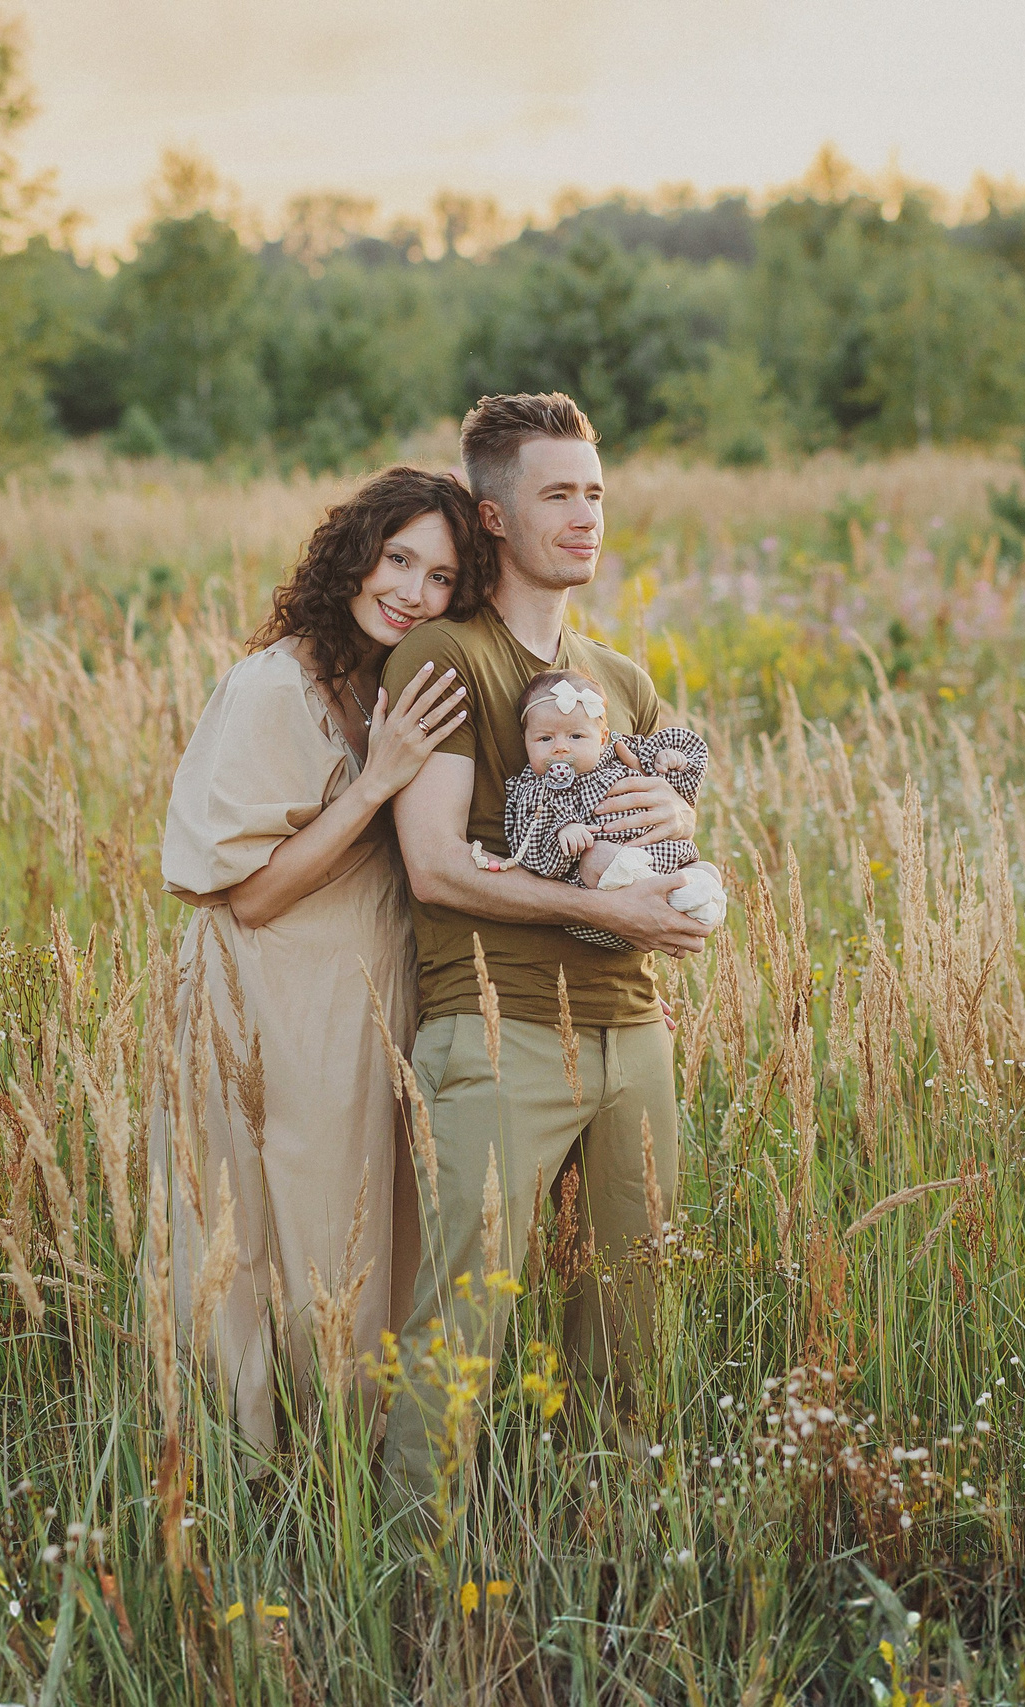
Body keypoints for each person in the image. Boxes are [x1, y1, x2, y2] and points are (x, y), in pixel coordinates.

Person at [379, 393, 715, 1500]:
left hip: (634, 1033)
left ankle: (612, 1577)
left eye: (596, 492)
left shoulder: (620, 679)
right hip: (495, 1029)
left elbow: (654, 836)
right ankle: (419, 1605)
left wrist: (676, 842)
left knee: (633, 1329)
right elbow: (432, 865)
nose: (586, 516)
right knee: (459, 1333)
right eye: (557, 495)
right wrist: (615, 912)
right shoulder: (443, 653)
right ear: (491, 517)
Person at [148, 465, 484, 1451]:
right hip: (270, 994)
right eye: (399, 560)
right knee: (267, 1221)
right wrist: (376, 780)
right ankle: (254, 1455)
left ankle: (358, 1447)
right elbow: (249, 894)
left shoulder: (401, 683)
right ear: (355, 556)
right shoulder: (271, 686)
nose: (413, 593)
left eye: (440, 579)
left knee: (365, 1219)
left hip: (367, 999)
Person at [488, 667, 727, 952]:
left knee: (708, 870)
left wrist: (673, 761)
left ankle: (690, 898)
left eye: (576, 736)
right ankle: (660, 897)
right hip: (608, 900)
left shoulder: (624, 754)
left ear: (602, 739)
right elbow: (531, 848)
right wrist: (564, 831)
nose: (560, 748)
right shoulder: (537, 789)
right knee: (596, 855)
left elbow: (674, 788)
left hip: (666, 860)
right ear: (526, 742)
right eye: (545, 739)